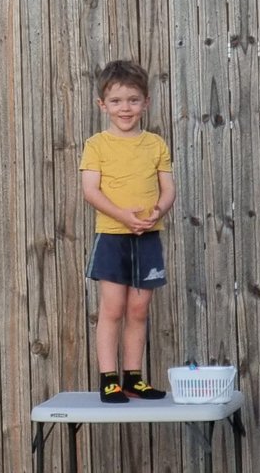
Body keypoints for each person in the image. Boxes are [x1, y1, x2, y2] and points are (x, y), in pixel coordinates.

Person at [80, 59, 176, 403]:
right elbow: (91, 191)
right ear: (102, 105)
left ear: (146, 102)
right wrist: (123, 216)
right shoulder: (97, 145)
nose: (126, 108)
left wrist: (157, 212)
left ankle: (133, 377)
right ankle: (109, 379)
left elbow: (168, 190)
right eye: (117, 101)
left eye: (133, 100)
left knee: (139, 309)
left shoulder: (155, 144)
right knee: (113, 308)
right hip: (112, 237)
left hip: (147, 236)